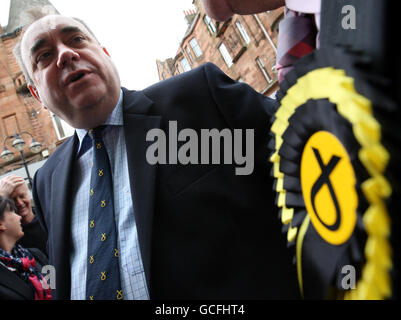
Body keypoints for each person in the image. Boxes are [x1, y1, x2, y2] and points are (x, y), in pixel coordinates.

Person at [15, 12, 300, 300]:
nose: (65, 54)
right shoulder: (46, 180)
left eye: (76, 39)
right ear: (37, 94)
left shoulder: (198, 97)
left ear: (105, 54)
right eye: (44, 56)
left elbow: (308, 153)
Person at [0, 196, 51, 300]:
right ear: (1, 224)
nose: (19, 217)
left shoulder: (35, 255)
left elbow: (56, 287)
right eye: (12, 211)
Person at [0, 175, 47, 253]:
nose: (20, 203)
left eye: (22, 196)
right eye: (13, 199)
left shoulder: (47, 218)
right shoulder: (9, 234)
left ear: (28, 194)